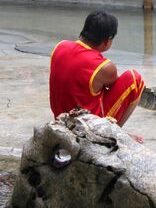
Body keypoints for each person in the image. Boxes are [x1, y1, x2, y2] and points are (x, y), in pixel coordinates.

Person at [49, 11, 145, 143]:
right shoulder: (104, 67)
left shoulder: (60, 46)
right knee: (135, 79)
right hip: (87, 128)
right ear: (108, 40)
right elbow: (115, 89)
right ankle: (115, 134)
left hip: (62, 120)